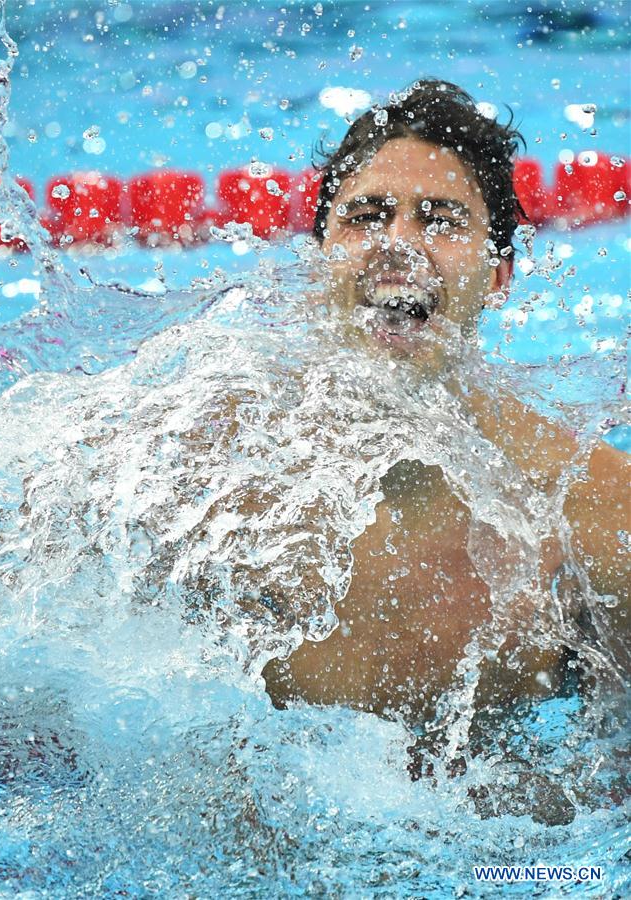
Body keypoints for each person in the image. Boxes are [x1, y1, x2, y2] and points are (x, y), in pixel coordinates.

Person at [260, 79, 629, 722]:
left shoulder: (593, 512)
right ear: (322, 259)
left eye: (440, 219)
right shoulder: (207, 474)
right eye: (367, 216)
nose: (398, 243)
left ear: (497, 275)